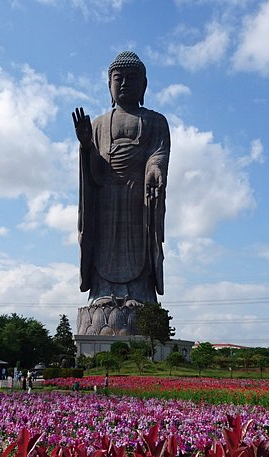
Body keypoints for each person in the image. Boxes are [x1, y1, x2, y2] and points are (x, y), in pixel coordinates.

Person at [72, 51, 169, 308]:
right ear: (109, 85)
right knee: (104, 242)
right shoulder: (99, 124)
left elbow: (158, 153)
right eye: (119, 78)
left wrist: (155, 169)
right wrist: (85, 146)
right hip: (106, 196)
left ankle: (140, 293)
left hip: (139, 195)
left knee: (140, 240)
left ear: (144, 85)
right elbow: (95, 170)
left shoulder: (156, 121)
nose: (124, 83)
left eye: (132, 78)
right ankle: (102, 291)